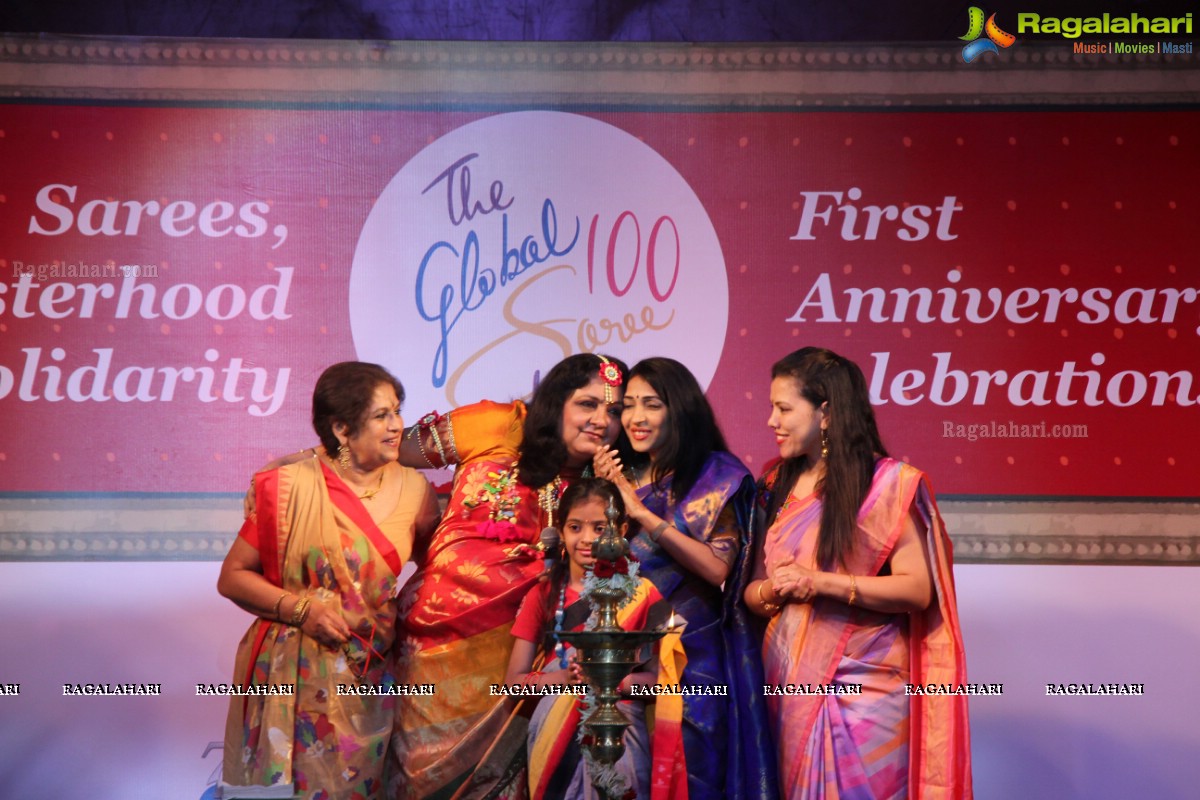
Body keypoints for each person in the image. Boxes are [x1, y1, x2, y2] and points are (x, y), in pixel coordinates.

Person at [389, 353, 632, 800]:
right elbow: (383, 449)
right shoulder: (495, 425)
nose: (602, 420)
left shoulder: (604, 487)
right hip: (431, 648)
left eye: (614, 411)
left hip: (516, 659)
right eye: (588, 404)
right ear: (557, 401)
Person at [743, 347, 972, 800]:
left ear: (825, 412)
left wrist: (820, 582)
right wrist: (773, 590)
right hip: (787, 686)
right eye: (772, 407)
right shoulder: (774, 484)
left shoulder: (883, 484)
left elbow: (917, 589)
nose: (772, 420)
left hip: (868, 693)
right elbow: (750, 590)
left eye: (784, 408)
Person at [218, 362, 440, 799]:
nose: (397, 426)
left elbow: (438, 570)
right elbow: (232, 577)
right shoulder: (289, 487)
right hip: (291, 676)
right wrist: (302, 610)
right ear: (341, 428)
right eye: (381, 416)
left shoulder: (416, 491)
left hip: (369, 674)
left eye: (397, 411)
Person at [592, 357, 777, 800]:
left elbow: (717, 567)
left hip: (693, 657)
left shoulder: (716, 475)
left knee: (691, 777)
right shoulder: (626, 475)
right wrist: (605, 500)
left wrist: (640, 515)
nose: (635, 418)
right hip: (626, 655)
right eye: (629, 406)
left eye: (651, 404)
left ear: (680, 409)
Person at [505, 478, 684, 800]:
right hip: (554, 737)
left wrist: (613, 681)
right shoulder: (543, 595)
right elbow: (512, 685)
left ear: (622, 529)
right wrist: (563, 679)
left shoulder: (643, 594)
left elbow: (666, 682)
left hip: (622, 731)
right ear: (560, 531)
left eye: (599, 528)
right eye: (575, 527)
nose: (586, 539)